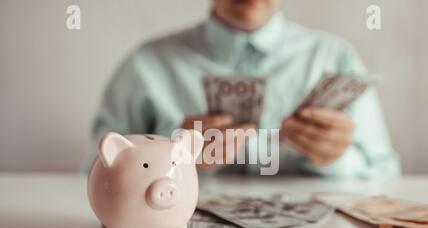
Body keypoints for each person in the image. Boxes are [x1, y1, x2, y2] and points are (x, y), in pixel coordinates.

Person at [84, 0, 400, 177]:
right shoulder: (146, 64)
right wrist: (171, 154)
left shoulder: (335, 57)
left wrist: (335, 157)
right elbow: (97, 172)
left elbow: (385, 173)